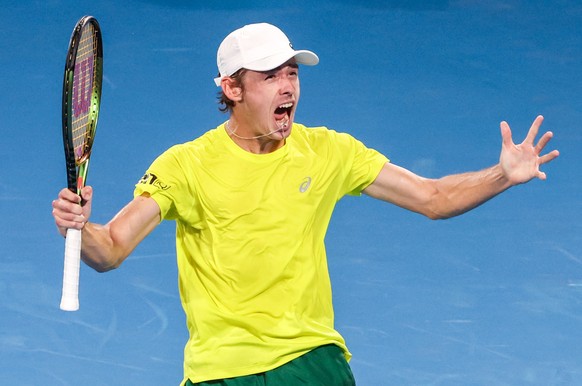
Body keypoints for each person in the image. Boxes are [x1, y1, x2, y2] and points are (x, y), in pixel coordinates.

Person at [52, 22, 559, 386]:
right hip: (221, 371)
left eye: (292, 73)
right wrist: (81, 228)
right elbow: (112, 248)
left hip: (311, 361)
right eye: (271, 76)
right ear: (232, 89)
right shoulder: (186, 165)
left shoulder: (330, 151)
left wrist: (501, 175)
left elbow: (433, 198)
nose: (288, 85)